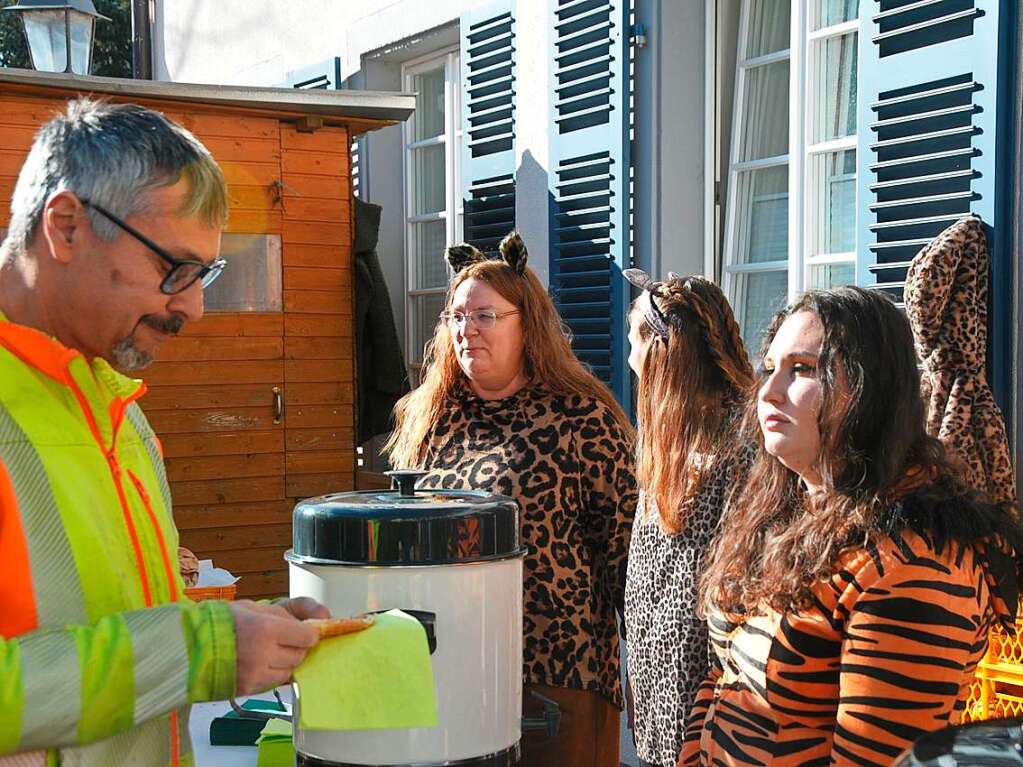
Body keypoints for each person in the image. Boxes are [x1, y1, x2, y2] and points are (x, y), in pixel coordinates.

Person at [0, 99, 328, 765]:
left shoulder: (118, 403)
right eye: (173, 269)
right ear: (65, 226)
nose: (195, 306)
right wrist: (202, 647)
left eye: (206, 273)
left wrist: (250, 629)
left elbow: (121, 620)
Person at [680, 286, 1023, 766]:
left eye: (803, 369)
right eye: (770, 368)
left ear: (869, 390)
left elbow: (874, 759)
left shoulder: (915, 564)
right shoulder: (792, 509)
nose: (769, 392)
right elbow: (725, 673)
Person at [385, 232, 638, 767]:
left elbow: (625, 556)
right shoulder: (427, 418)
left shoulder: (582, 418)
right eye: (456, 316)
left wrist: (641, 669)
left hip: (558, 674)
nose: (466, 329)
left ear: (528, 323)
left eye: (485, 316)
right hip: (447, 667)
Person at [621, 270, 753, 767]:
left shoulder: (742, 445)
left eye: (636, 341)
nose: (630, 357)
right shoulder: (671, 438)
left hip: (711, 690)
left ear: (662, 350)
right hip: (658, 677)